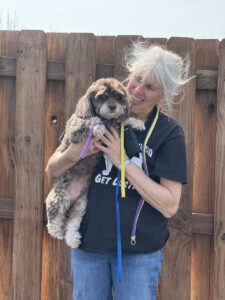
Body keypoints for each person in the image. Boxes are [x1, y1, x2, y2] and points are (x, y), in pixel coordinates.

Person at [45, 42, 191, 300]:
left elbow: (169, 205)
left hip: (139, 253)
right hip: (88, 247)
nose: (137, 90)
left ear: (163, 94)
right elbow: (52, 169)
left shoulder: (168, 133)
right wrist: (73, 153)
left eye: (150, 87)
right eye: (137, 79)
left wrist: (121, 161)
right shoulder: (93, 117)